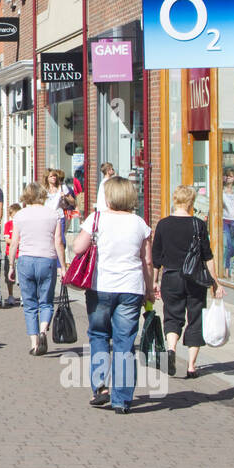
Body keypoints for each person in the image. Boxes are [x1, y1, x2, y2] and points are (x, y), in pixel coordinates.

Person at [71, 176, 153, 414]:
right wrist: (149, 289)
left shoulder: (96, 219)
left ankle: (100, 387)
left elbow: (78, 248)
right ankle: (122, 400)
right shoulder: (139, 223)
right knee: (124, 343)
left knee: (98, 335)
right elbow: (147, 261)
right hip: (131, 288)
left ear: (109, 196)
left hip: (101, 286)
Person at [152, 184, 224, 378]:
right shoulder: (198, 225)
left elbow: (156, 256)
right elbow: (207, 256)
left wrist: (154, 281)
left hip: (171, 277)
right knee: (195, 317)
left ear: (174, 200)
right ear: (191, 202)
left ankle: (172, 350)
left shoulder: (163, 224)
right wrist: (215, 282)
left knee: (172, 315)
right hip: (195, 278)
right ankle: (191, 366)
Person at [8, 184, 66, 355]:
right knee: (46, 301)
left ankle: (34, 343)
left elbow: (14, 242)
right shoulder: (53, 214)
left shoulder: (20, 215)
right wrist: (63, 266)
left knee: (30, 304)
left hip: (26, 259)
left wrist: (11, 265)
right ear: (42, 195)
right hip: (47, 259)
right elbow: (58, 242)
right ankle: (43, 330)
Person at [1, 203, 22, 306]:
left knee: (22, 276)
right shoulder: (8, 224)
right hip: (10, 254)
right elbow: (7, 239)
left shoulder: (23, 224)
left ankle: (23, 295)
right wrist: (16, 242)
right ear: (11, 215)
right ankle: (10, 295)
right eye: (15, 214)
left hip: (21, 254)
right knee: (9, 276)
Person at [221, 169, 234, 275]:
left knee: (233, 245)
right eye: (227, 176)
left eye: (230, 176)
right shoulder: (221, 189)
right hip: (224, 219)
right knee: (227, 244)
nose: (228, 178)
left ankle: (230, 263)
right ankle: (227, 268)